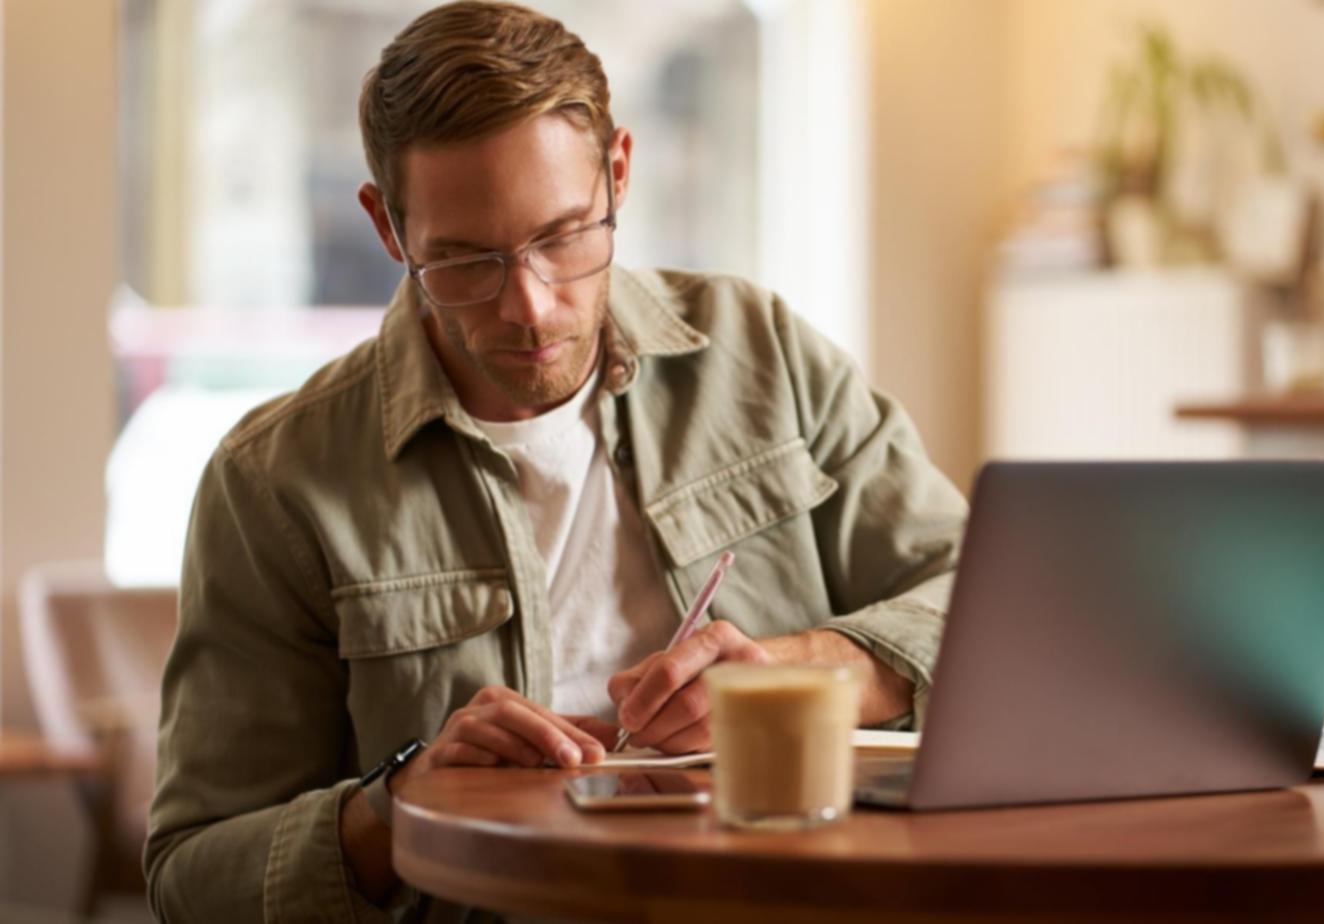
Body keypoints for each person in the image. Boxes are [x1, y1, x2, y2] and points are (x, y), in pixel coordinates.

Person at [144, 1, 967, 920]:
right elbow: (190, 880)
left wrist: (810, 672)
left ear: (618, 172)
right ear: (387, 228)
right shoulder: (274, 483)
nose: (529, 308)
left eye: (562, 236)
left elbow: (985, 606)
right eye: (464, 261)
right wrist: (398, 804)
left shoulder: (763, 354)